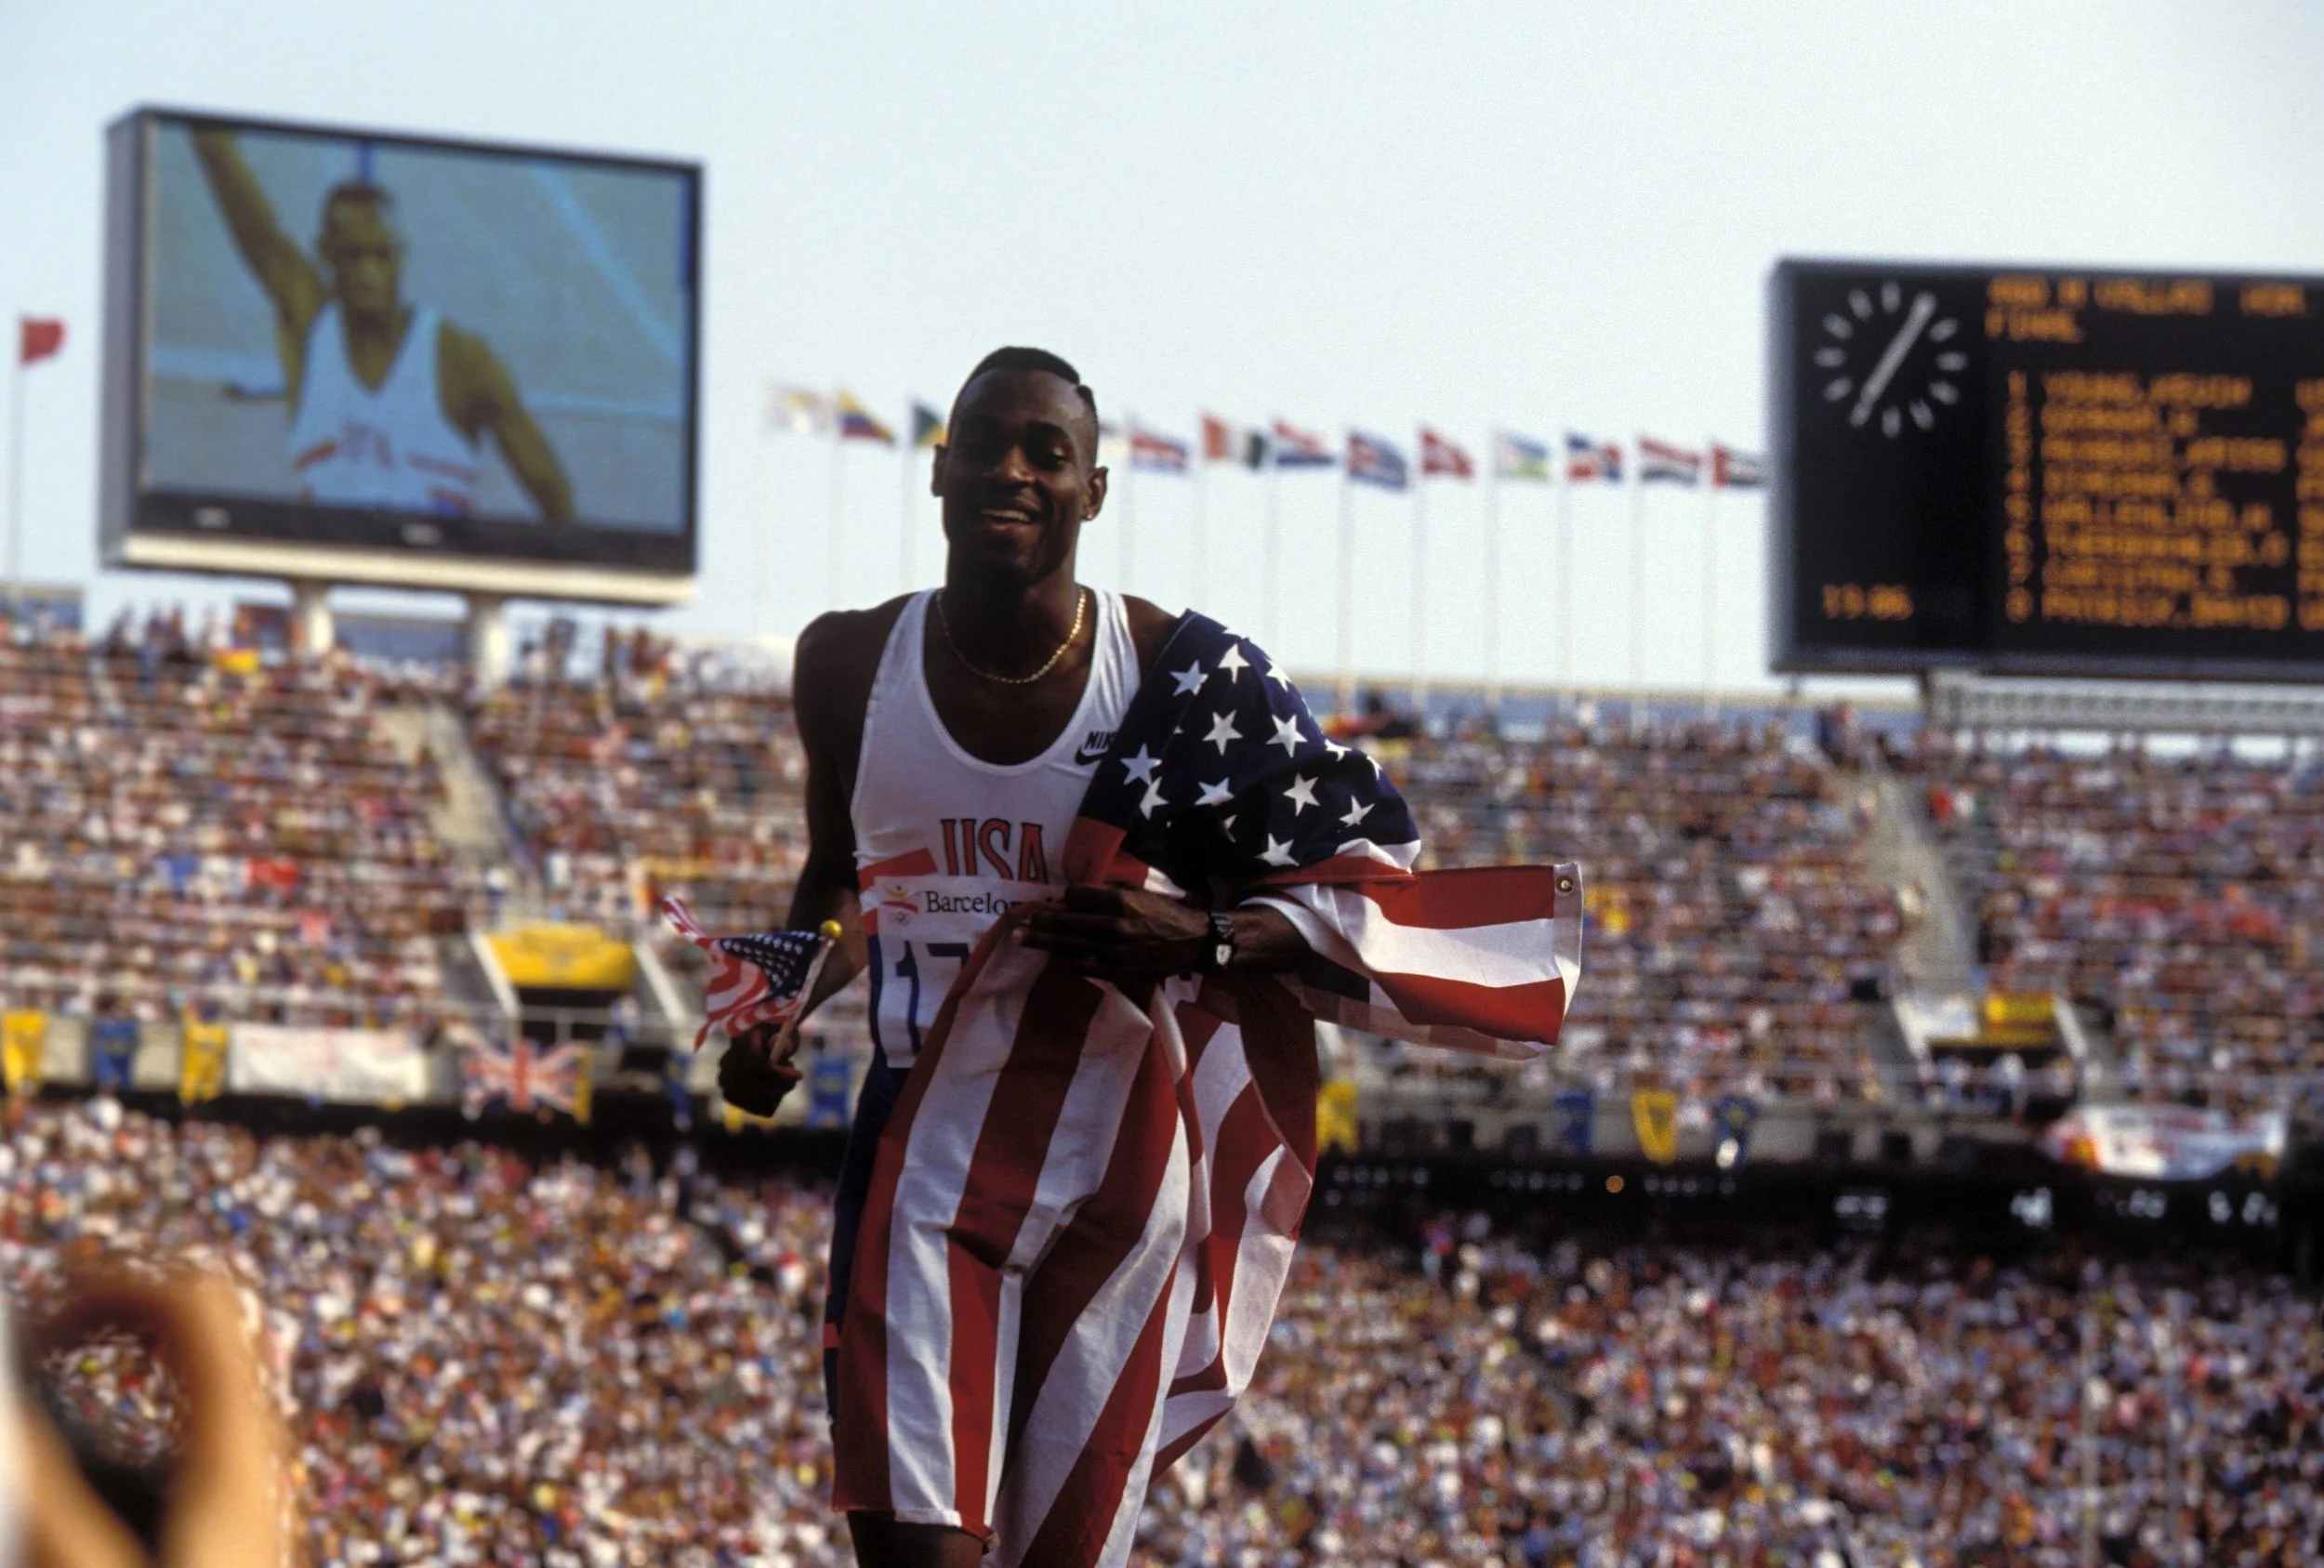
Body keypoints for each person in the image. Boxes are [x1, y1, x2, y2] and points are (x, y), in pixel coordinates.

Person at [720, 348, 1578, 1568]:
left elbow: (1364, 881)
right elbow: (842, 874)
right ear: (939, 468)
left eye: (1046, 453)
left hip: (1119, 1151)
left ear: (1095, 490)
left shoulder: (1175, 676)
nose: (1012, 472)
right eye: (987, 444)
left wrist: (1201, 931)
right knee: (913, 1545)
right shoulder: (849, 662)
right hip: (924, 1137)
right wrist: (775, 1001)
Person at [189, 125, 574, 523]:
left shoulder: (460, 361)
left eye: (381, 256)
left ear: (401, 256)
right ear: (325, 255)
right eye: (353, 257)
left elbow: (553, 493)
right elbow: (256, 232)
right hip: (329, 573)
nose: (369, 274)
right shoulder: (312, 330)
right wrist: (213, 145)